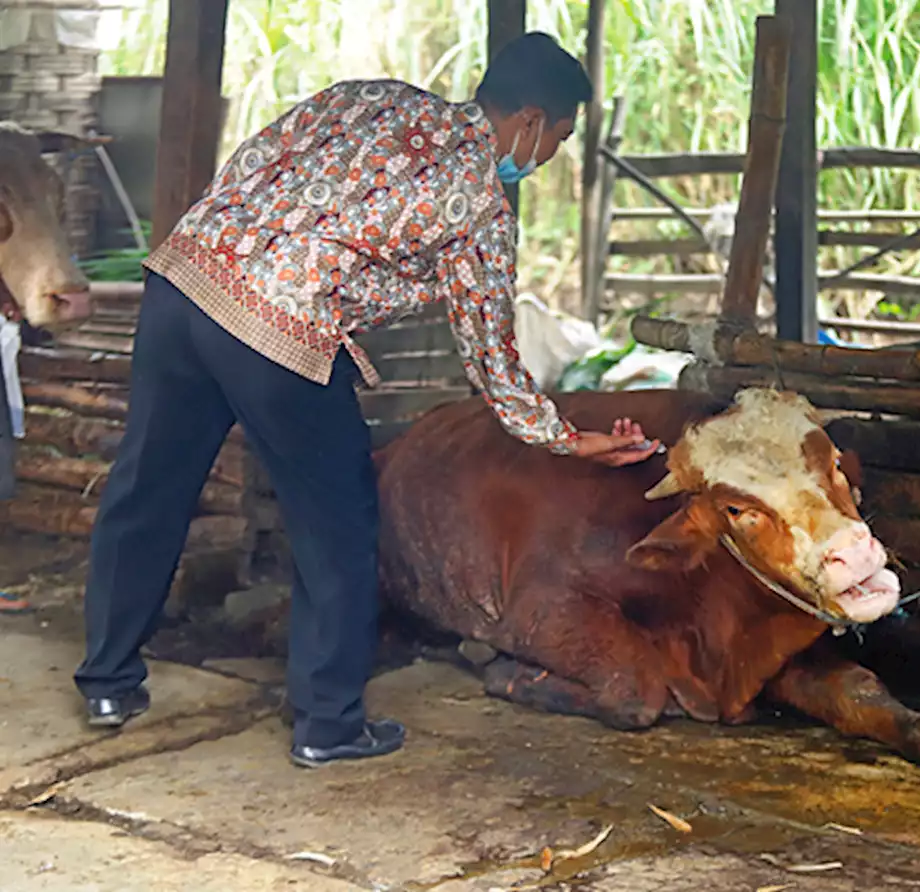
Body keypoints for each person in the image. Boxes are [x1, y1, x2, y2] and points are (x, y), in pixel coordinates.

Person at [73, 32, 661, 768]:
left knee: (148, 485)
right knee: (341, 524)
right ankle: (329, 723)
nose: (546, 159)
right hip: (278, 329)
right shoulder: (480, 200)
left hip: (186, 281)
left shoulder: (375, 98)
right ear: (530, 121)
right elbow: (492, 357)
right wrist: (568, 439)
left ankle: (107, 680)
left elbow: (256, 158)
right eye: (558, 140)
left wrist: (229, 251)